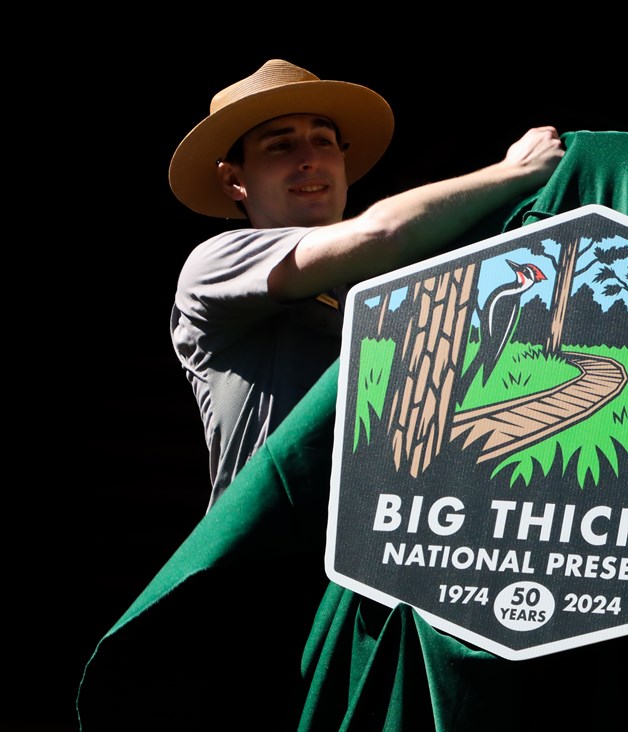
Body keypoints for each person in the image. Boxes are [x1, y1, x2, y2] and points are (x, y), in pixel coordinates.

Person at [169, 59, 564, 512]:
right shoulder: (216, 262)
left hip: (383, 545)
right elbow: (381, 232)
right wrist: (513, 172)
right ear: (233, 179)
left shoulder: (398, 281)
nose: (309, 159)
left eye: (323, 141)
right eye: (280, 146)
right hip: (273, 559)